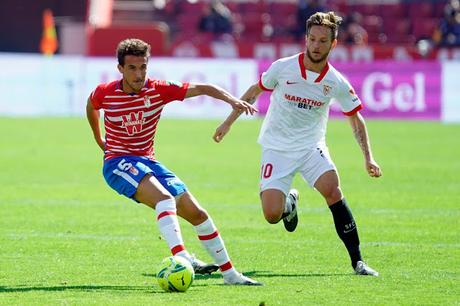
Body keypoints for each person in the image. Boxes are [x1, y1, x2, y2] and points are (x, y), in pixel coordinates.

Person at [213, 12, 381, 276]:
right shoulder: (283, 67)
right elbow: (254, 91)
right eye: (312, 39)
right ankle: (289, 203)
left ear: (333, 44)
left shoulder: (335, 81)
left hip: (310, 147)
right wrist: (228, 122)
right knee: (271, 215)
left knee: (332, 190)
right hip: (276, 147)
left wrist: (368, 157)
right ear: (306, 39)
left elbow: (356, 119)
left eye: (322, 41)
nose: (315, 45)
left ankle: (358, 262)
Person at [86, 38, 261, 286]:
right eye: (133, 68)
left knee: (197, 213)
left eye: (143, 67)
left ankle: (231, 275)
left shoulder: (158, 89)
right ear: (120, 69)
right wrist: (98, 138)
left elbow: (204, 88)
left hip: (148, 161)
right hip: (117, 163)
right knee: (165, 199)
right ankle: (182, 259)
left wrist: (232, 101)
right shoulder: (106, 92)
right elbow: (91, 104)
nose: (139, 74)